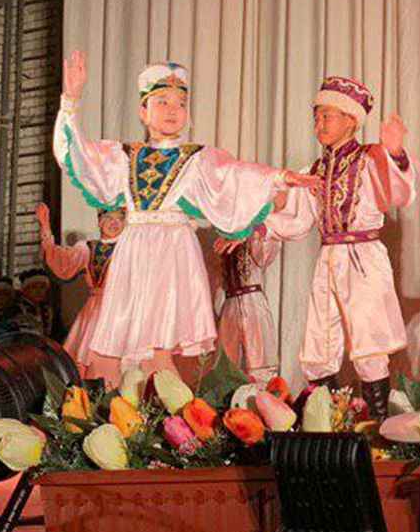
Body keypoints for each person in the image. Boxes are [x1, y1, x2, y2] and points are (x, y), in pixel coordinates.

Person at [53, 53, 306, 384]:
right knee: (115, 344)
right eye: (162, 102)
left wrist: (279, 177)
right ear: (143, 111)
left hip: (173, 252)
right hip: (134, 250)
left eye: (180, 104)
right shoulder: (124, 156)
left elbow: (236, 175)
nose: (173, 110)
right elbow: (79, 154)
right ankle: (108, 406)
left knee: (160, 348)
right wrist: (70, 100)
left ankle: (160, 409)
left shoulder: (197, 158)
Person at [264, 74, 420, 418]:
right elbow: (297, 219)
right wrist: (262, 218)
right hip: (328, 256)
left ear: (351, 120)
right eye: (316, 117)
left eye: (328, 116)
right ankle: (335, 419)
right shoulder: (316, 169)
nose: (320, 124)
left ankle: (377, 423)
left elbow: (399, 193)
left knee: (369, 343)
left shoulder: (369, 159)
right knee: (319, 342)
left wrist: (395, 153)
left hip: (363, 256)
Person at [37, 202, 126, 379]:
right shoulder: (87, 248)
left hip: (127, 310)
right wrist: (46, 228)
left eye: (120, 219)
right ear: (99, 221)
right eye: (109, 218)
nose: (114, 223)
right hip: (97, 313)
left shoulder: (133, 249)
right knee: (95, 361)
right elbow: (62, 262)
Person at [213, 230, 282, 380]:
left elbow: (264, 257)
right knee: (227, 361)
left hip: (253, 301)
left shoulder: (254, 234)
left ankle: (263, 390)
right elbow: (219, 277)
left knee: (259, 360)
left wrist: (253, 233)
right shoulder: (223, 236)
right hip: (230, 303)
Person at [18, 266, 59, 341]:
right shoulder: (17, 309)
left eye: (42, 287)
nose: (38, 291)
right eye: (34, 287)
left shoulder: (47, 309)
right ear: (25, 290)